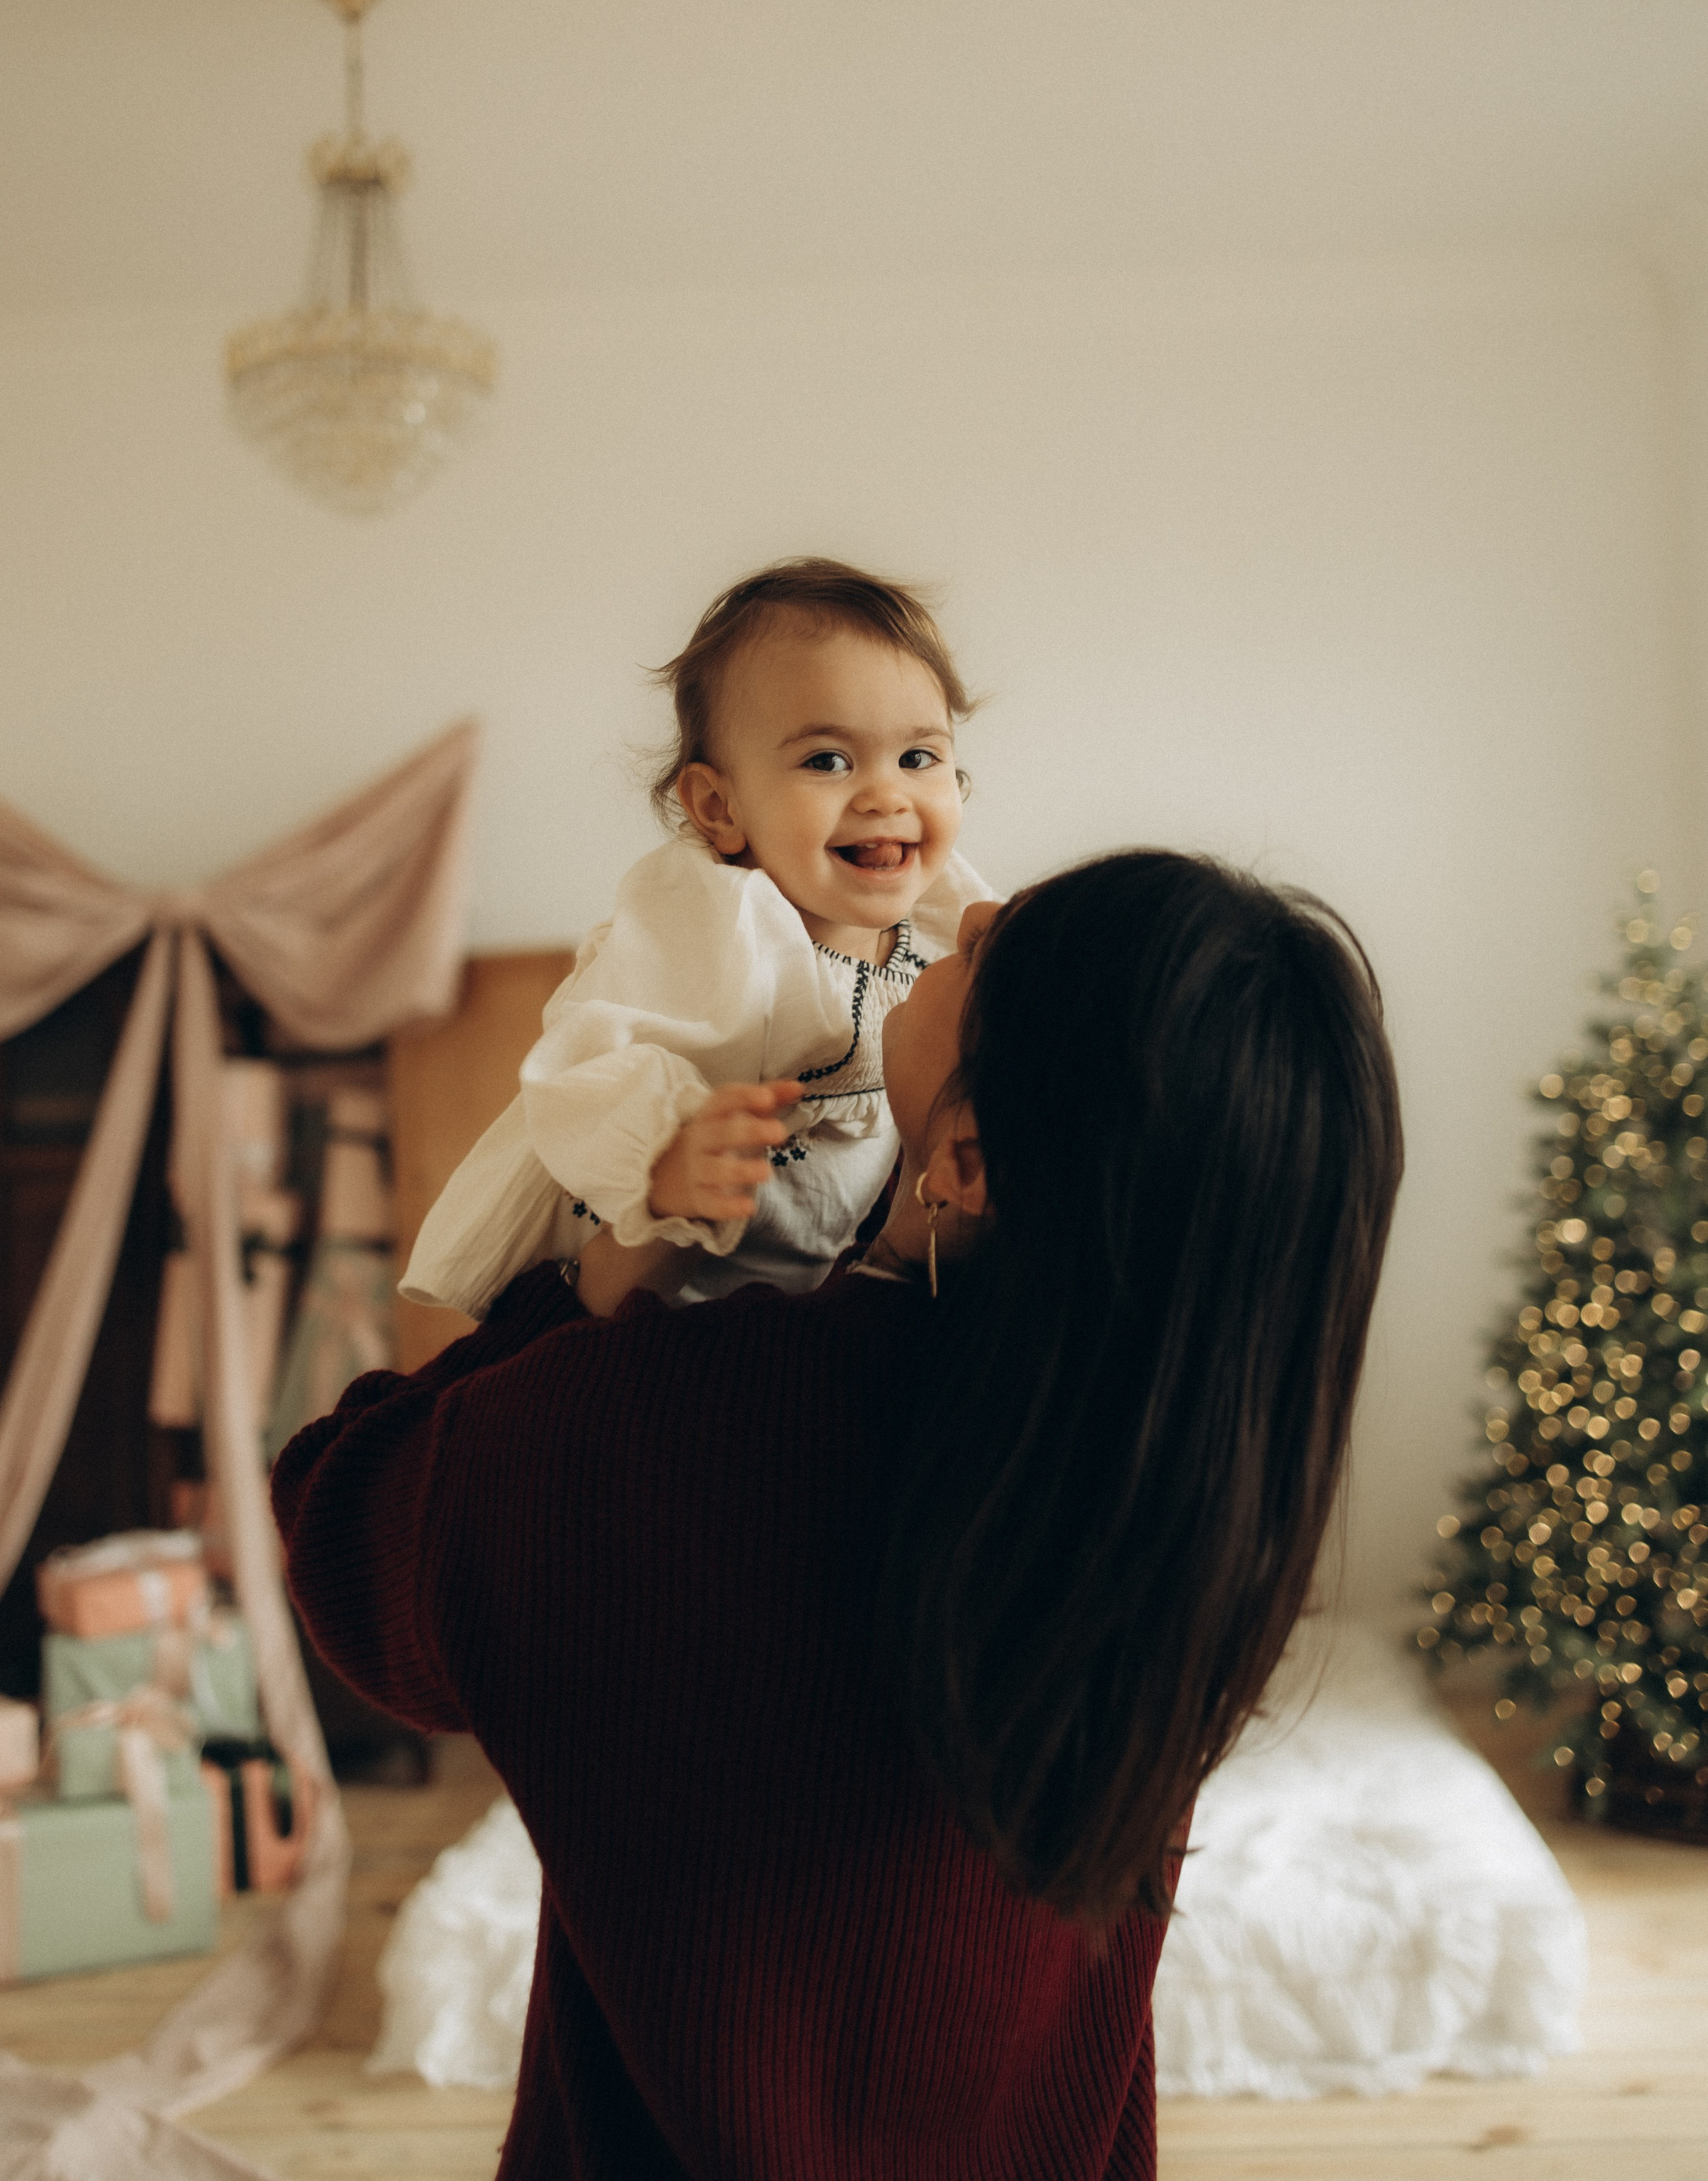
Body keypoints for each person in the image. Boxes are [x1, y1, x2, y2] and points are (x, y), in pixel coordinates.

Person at [276, 849, 1403, 2180]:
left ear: (971, 1157)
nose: (966, 903)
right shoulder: (1191, 1524)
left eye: (993, 949)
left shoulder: (662, 1412)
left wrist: (585, 1278)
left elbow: (344, 1545)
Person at [401, 557, 991, 1318]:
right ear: (718, 807)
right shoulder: (706, 916)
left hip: (823, 1271)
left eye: (919, 758)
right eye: (827, 761)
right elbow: (587, 1061)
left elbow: (1028, 968)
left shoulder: (943, 908)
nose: (886, 795)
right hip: (660, 1265)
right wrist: (662, 1156)